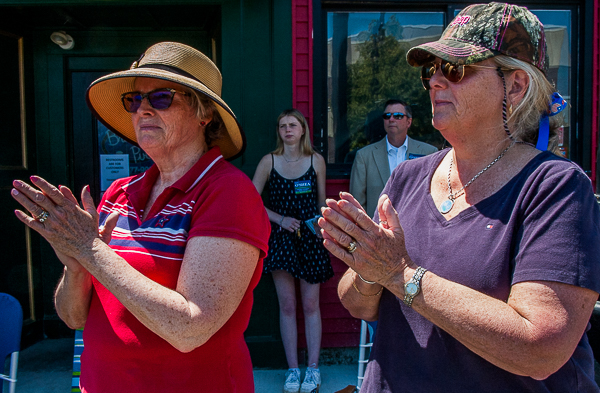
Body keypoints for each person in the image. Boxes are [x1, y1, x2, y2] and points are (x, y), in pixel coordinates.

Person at [319, 3, 600, 392]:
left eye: (455, 69)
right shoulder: (407, 177)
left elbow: (540, 350)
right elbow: (357, 303)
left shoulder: (554, 186)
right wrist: (369, 266)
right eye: (430, 71)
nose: (435, 81)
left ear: (515, 85)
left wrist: (400, 276)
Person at [11, 42, 271, 392]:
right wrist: (76, 267)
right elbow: (74, 317)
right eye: (134, 101)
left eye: (161, 98)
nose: (142, 110)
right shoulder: (118, 192)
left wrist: (90, 251)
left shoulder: (228, 192)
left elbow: (190, 328)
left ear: (203, 113)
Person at [252, 109, 332, 393]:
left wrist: (322, 227)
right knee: (287, 306)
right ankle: (292, 370)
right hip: (281, 239)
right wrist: (280, 219)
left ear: (302, 130)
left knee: (311, 306)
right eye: (283, 125)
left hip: (309, 238)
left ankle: (313, 369)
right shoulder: (268, 161)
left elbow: (322, 202)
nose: (288, 130)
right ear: (279, 131)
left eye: (293, 125)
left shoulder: (316, 161)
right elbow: (251, 200)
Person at [350, 99, 437, 217]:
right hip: (378, 231)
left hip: (417, 229)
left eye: (398, 116)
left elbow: (436, 197)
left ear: (409, 122)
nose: (391, 119)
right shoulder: (364, 156)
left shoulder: (429, 153)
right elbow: (357, 204)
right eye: (387, 116)